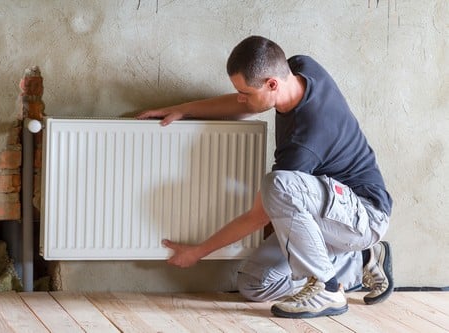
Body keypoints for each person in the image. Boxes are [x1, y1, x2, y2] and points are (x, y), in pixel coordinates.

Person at [137, 35, 393, 318]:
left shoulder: (303, 140)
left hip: (363, 216)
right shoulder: (299, 68)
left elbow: (258, 216)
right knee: (255, 284)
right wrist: (185, 109)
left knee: (277, 185)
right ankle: (362, 259)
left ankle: (327, 288)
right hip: (327, 214)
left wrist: (198, 252)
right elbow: (246, 105)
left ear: (272, 83)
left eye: (245, 92)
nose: (240, 98)